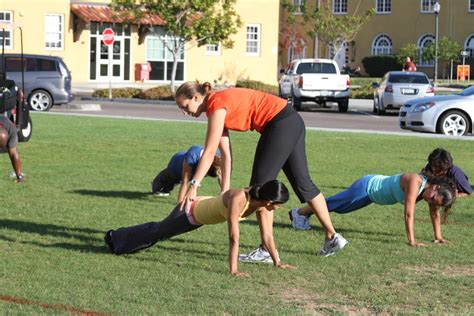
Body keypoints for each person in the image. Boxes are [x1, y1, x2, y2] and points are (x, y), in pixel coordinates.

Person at [174, 82, 348, 261]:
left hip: (279, 124)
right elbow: (225, 154)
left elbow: (210, 152)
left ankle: (266, 250)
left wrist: (194, 185)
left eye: (185, 106)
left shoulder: (216, 106)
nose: (184, 112)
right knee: (303, 184)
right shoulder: (217, 105)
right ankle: (332, 237)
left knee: (260, 188)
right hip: (291, 120)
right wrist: (224, 190)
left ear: (195, 97)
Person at [104, 180, 295, 277]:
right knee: (157, 233)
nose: (279, 208)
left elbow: (267, 235)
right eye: (279, 204)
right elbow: (233, 237)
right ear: (270, 201)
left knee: (157, 232)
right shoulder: (240, 199)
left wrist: (277, 261)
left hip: (199, 219)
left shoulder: (262, 204)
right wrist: (234, 270)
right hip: (189, 213)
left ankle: (118, 240)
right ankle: (115, 238)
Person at [289, 173, 456, 246]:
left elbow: (435, 214)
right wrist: (412, 241)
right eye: (433, 198)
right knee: (335, 204)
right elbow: (408, 214)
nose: (431, 201)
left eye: (436, 202)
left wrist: (438, 237)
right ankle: (298, 214)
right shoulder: (415, 181)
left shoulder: (428, 192)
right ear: (435, 186)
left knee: (338, 207)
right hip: (368, 187)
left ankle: (300, 214)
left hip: (371, 196)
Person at [151, 145, 223, 201]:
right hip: (176, 166)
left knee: (170, 187)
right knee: (161, 186)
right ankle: (157, 182)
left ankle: (168, 187)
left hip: (192, 169)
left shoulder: (218, 158)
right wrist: (179, 206)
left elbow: (222, 176)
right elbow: (185, 182)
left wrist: (224, 193)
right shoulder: (193, 156)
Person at [421, 148, 471, 223]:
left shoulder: (456, 174)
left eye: (438, 169)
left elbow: (468, 192)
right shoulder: (429, 167)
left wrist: (456, 195)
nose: (434, 170)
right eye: (432, 166)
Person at [0, 116, 24, 183]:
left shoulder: (11, 130)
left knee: (13, 151)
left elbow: (13, 154)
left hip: (7, 126)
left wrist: (19, 176)